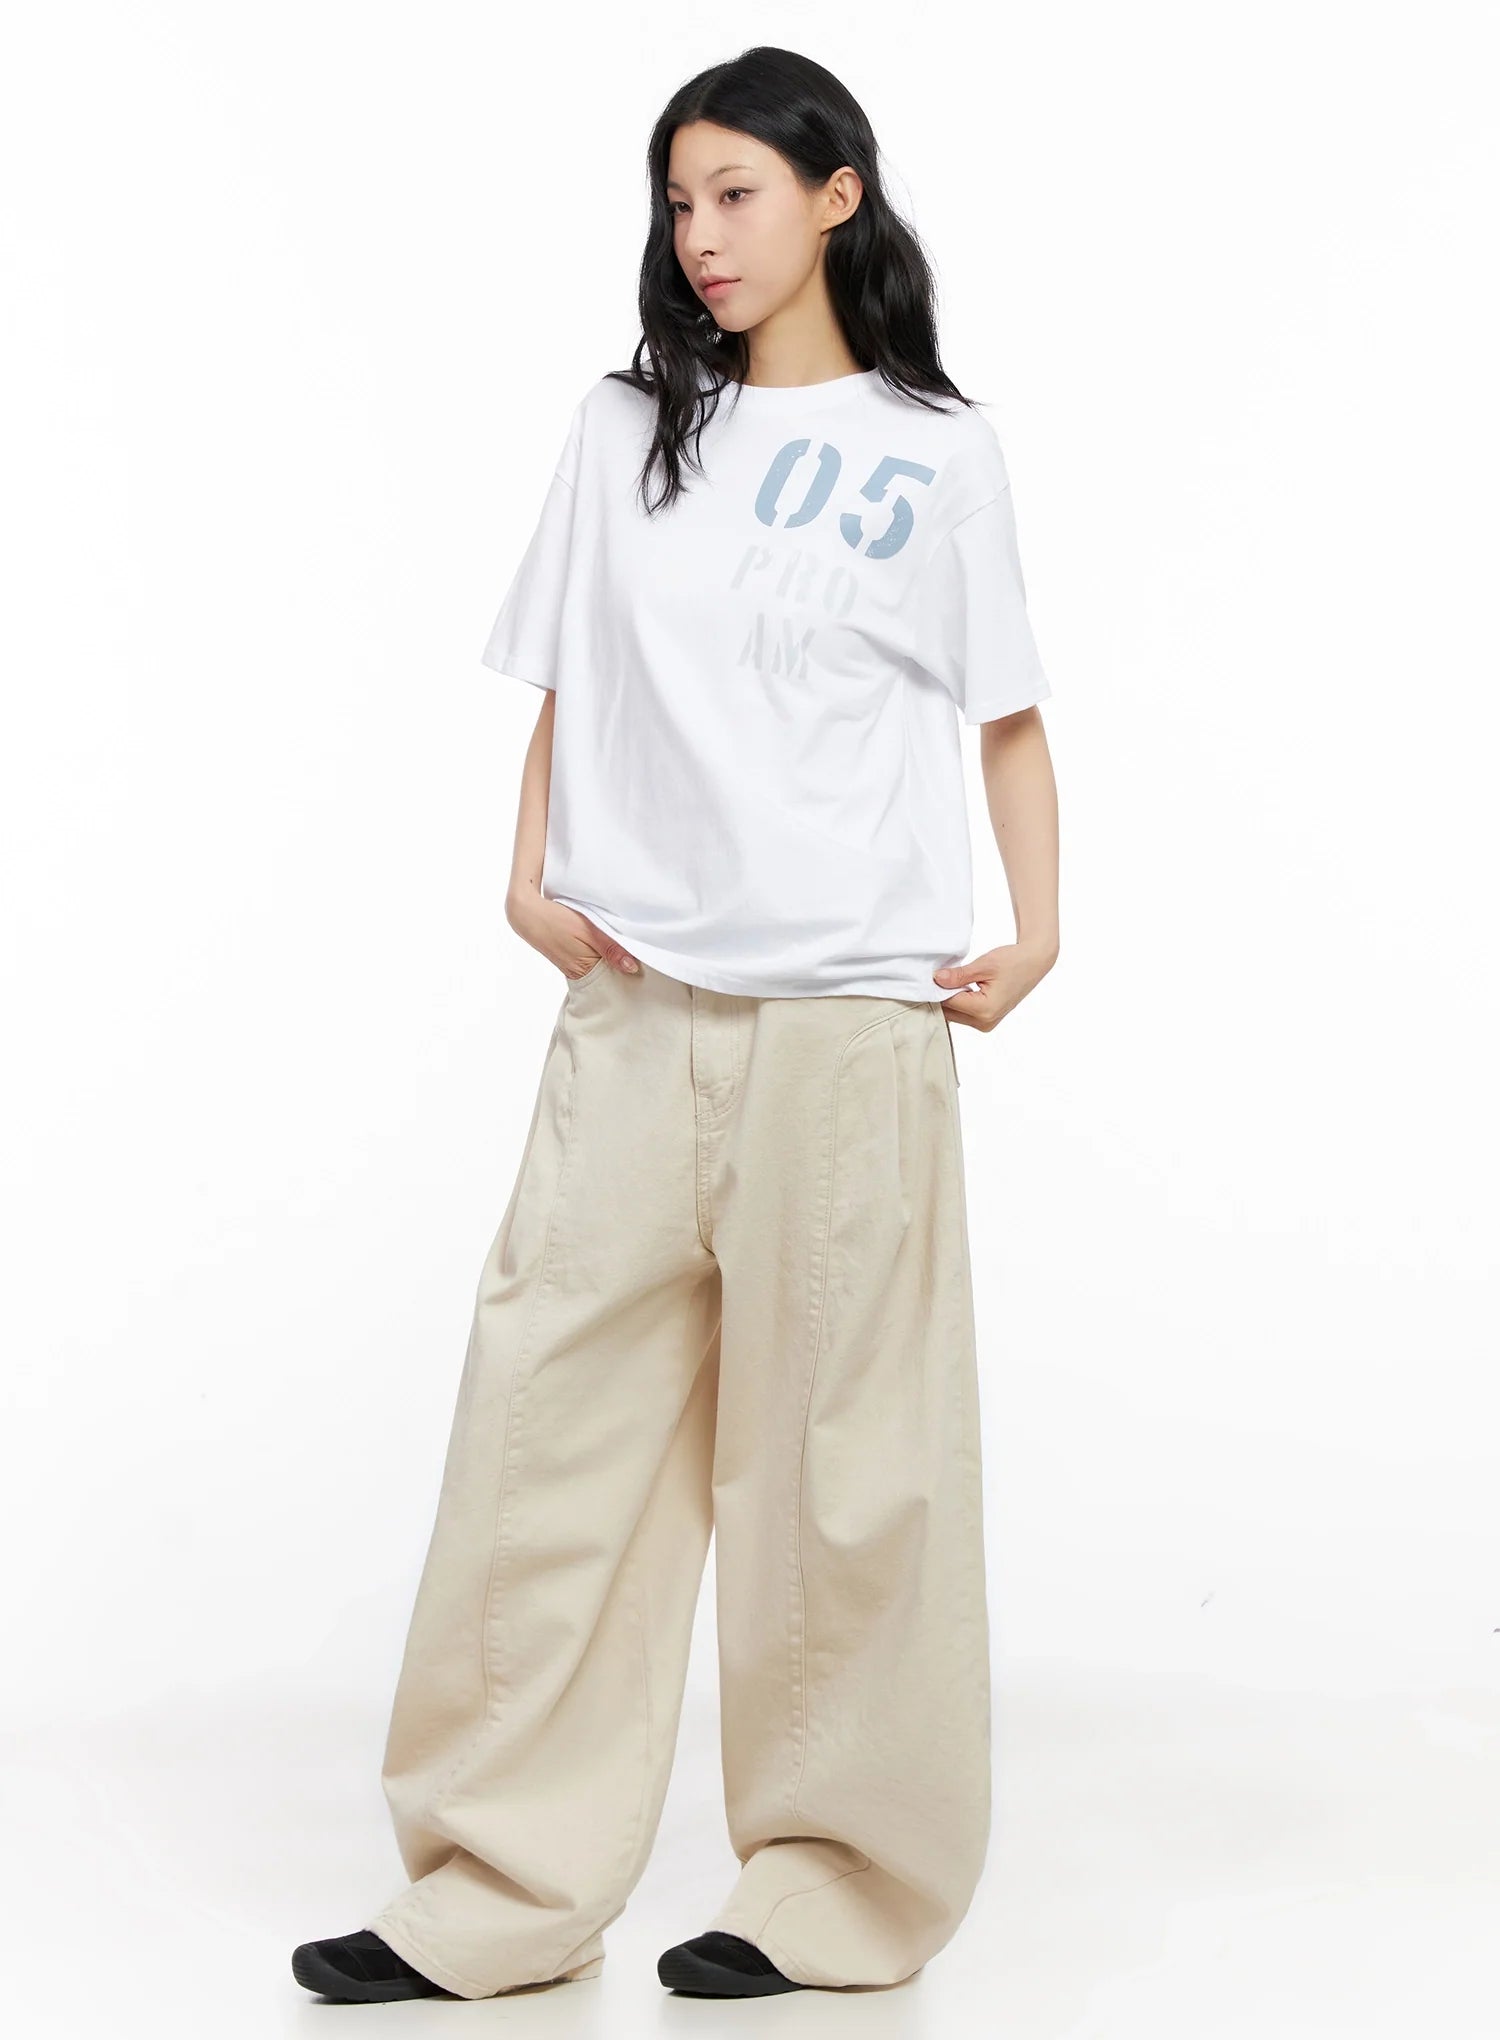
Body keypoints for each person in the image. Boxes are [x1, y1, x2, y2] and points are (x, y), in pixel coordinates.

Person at [292, 41, 1059, 2006]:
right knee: (545, 1438)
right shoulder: (629, 424)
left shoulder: (938, 452)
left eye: (737, 192)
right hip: (634, 1009)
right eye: (678, 198)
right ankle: (498, 1888)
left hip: (852, 1024)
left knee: (843, 1476)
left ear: (837, 195)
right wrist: (527, 873)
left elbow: (1006, 716)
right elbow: (573, 671)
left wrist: (1036, 929)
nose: (700, 234)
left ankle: (835, 1891)